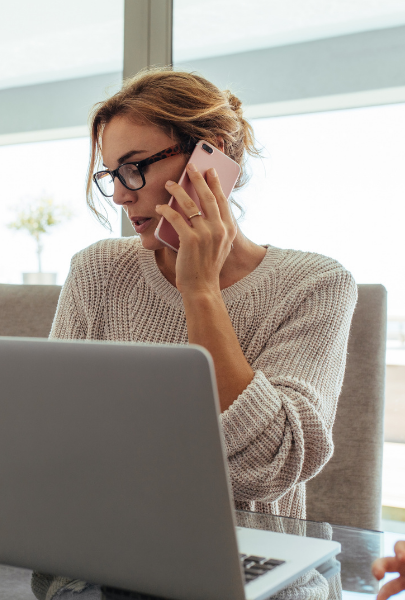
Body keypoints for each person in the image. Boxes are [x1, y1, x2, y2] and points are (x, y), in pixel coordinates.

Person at [50, 67, 358, 520]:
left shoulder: (315, 285)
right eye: (111, 174)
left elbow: (266, 468)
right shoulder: (98, 270)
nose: (119, 195)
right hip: (108, 539)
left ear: (211, 156)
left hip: (245, 559)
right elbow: (54, 431)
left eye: (134, 169)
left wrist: (200, 291)